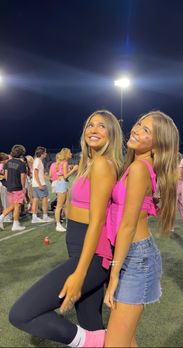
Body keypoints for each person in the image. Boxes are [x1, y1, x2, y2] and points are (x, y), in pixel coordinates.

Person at [9, 110, 123, 347]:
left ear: (112, 134)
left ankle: (89, 340)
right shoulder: (88, 162)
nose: (93, 129)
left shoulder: (102, 163)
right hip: (79, 242)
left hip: (92, 251)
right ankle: (95, 338)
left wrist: (79, 273)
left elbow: (98, 221)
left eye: (102, 126)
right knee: (89, 317)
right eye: (90, 125)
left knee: (22, 314)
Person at [103, 111, 179, 347]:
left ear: (158, 144)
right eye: (138, 124)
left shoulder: (140, 169)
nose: (136, 130)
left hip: (135, 258)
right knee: (125, 339)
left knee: (115, 343)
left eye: (146, 130)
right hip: (130, 254)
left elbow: (128, 225)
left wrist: (114, 273)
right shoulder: (136, 166)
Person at [0, 145, 27, 231]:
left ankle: (1, 218)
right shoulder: (22, 164)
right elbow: (23, 177)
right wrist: (23, 187)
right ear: (22, 154)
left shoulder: (8, 162)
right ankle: (15, 225)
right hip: (17, 187)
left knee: (12, 205)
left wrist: (9, 184)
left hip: (9, 187)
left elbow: (6, 175)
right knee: (17, 206)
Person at [53, 148, 78, 232]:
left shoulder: (62, 163)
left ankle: (68, 222)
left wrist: (69, 168)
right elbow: (65, 176)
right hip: (62, 184)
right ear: (66, 154)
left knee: (67, 205)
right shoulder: (65, 163)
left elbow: (62, 173)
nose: (71, 154)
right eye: (70, 153)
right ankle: (58, 224)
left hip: (62, 184)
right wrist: (74, 169)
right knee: (60, 205)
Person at [31, 146, 54, 223]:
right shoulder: (38, 161)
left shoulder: (37, 160)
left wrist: (49, 178)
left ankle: (34, 217)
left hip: (35, 184)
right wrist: (40, 184)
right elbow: (36, 173)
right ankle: (45, 216)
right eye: (45, 152)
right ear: (42, 153)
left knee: (35, 200)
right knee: (44, 199)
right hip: (39, 184)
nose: (46, 153)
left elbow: (40, 174)